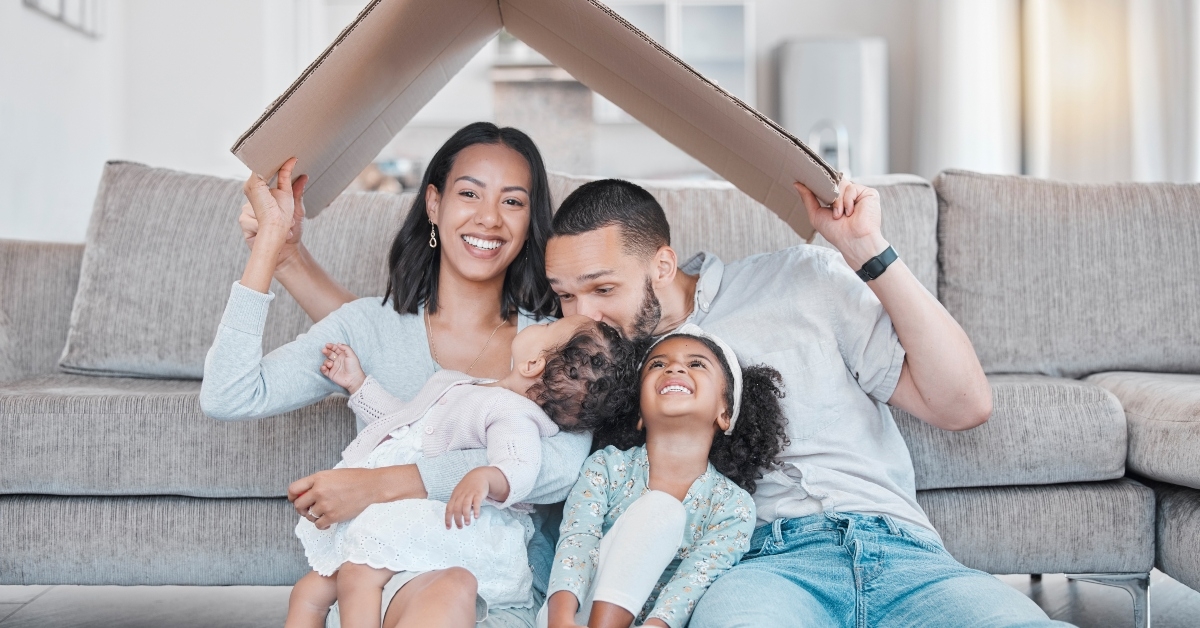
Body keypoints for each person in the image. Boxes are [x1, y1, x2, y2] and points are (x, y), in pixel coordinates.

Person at [541, 179, 1069, 627]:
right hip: (759, 565)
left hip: (902, 551)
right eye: (565, 295)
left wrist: (868, 250)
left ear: (662, 265)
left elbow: (964, 404)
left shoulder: (800, 279)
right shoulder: (599, 372)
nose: (582, 316)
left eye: (602, 289)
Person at [201, 122, 590, 628]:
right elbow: (229, 395)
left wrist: (381, 484)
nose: (490, 217)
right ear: (434, 203)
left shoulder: (554, 341)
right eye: (469, 193)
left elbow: (560, 469)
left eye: (512, 201)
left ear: (530, 219)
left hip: (499, 600)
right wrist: (268, 251)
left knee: (452, 590)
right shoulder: (369, 325)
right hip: (380, 592)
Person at [285, 314, 634, 628]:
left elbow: (520, 466)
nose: (539, 321)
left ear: (532, 364)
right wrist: (359, 386)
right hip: (414, 517)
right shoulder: (473, 388)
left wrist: (487, 477)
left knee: (358, 573)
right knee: (308, 590)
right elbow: (407, 425)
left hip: (456, 523)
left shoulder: (513, 413)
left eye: (547, 326)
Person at [540, 326, 788, 628]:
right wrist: (560, 620)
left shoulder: (732, 506)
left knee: (663, 511)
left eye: (696, 364)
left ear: (725, 413)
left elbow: (692, 584)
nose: (674, 367)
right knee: (661, 508)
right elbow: (577, 540)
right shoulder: (606, 467)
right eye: (657, 364)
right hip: (572, 616)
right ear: (639, 414)